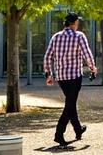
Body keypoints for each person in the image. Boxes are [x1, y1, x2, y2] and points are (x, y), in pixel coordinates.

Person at [42, 12, 98, 148]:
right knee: (70, 105)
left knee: (70, 102)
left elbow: (48, 56)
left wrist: (48, 74)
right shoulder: (79, 36)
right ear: (75, 22)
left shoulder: (56, 37)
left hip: (61, 77)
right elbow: (87, 54)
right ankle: (59, 133)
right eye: (78, 22)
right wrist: (93, 68)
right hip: (74, 76)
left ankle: (78, 129)